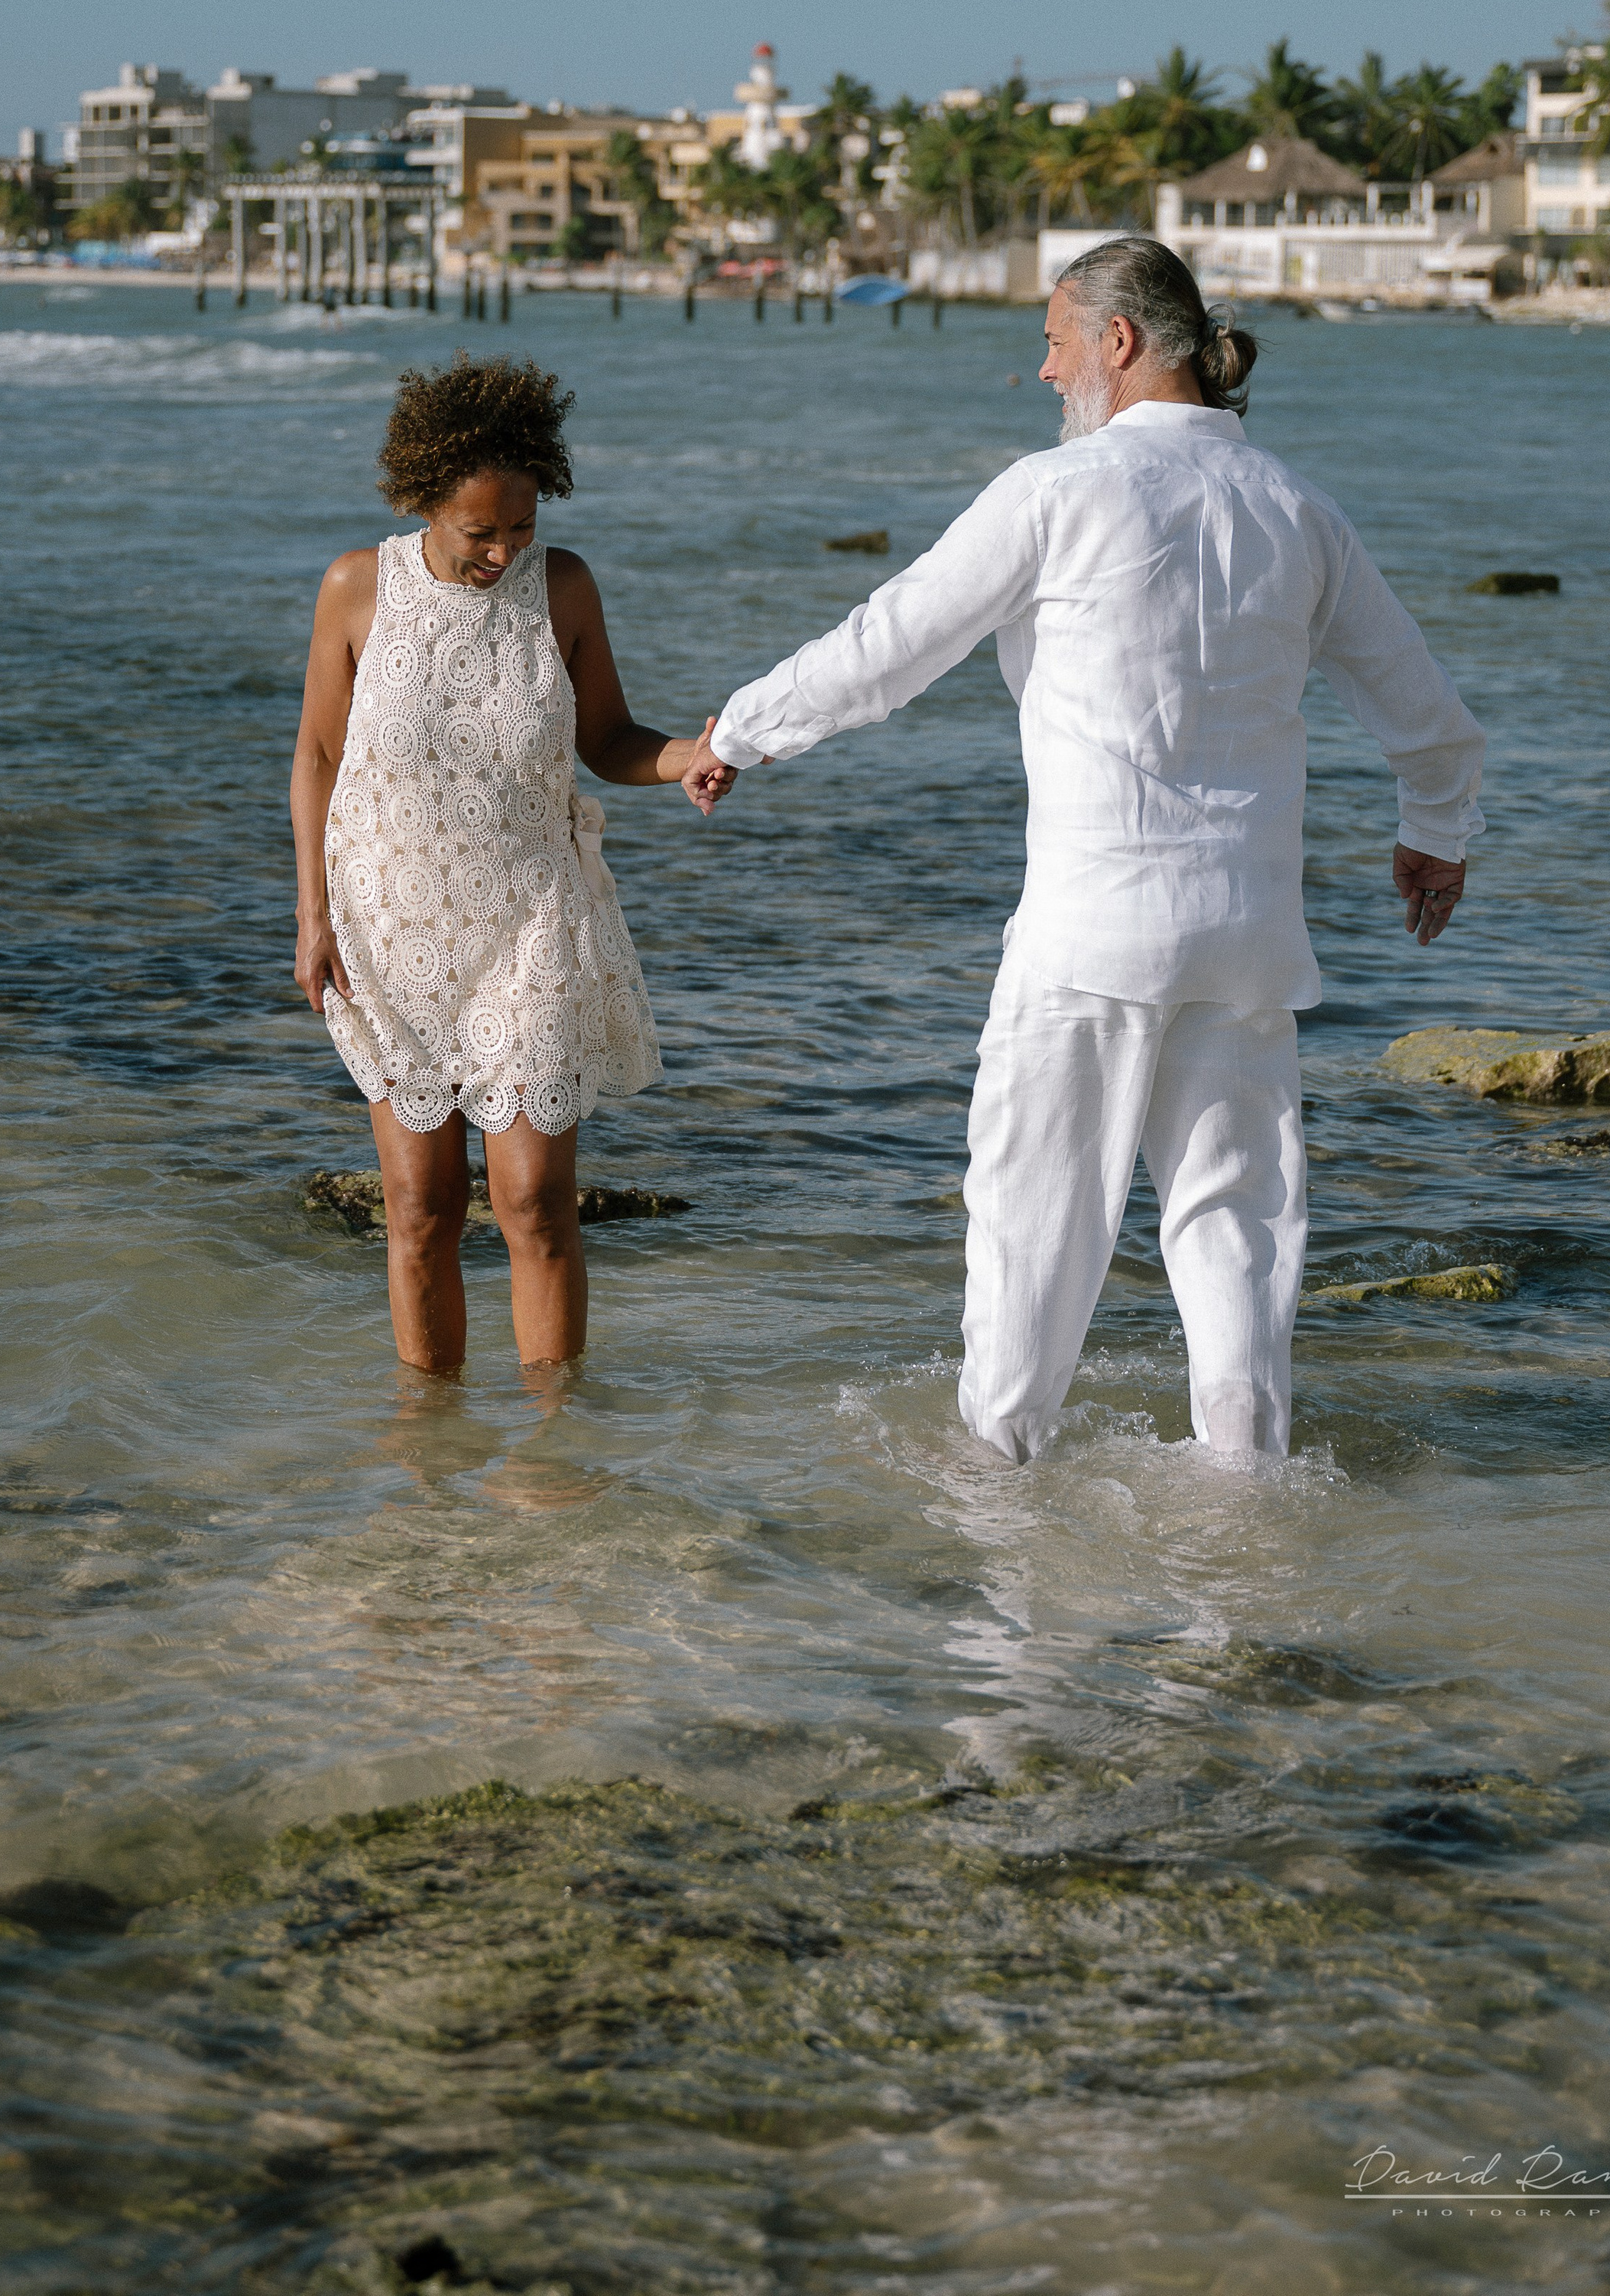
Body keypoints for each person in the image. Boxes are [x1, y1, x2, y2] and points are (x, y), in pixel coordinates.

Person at [705, 237, 1485, 1466]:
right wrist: (1434, 835)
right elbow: (1426, 712)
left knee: (1034, 1233)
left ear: (1118, 342)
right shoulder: (1296, 507)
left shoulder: (1056, 492)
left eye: (1056, 339)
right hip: (1248, 943)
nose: (1042, 366)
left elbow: (890, 644)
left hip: (1092, 932)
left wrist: (740, 733)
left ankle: (1002, 1550)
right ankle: (1247, 1523)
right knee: (1236, 1240)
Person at [291, 354, 732, 1377]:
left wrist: (690, 762)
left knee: (534, 1200)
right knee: (421, 1209)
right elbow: (318, 755)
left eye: (522, 525)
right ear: (425, 500)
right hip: (389, 931)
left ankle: (554, 1449)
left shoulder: (562, 587)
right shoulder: (358, 588)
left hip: (530, 927)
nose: (504, 550)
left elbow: (612, 738)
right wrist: (312, 915)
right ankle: (429, 1452)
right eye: (480, 531)